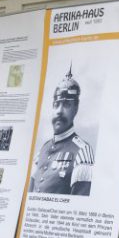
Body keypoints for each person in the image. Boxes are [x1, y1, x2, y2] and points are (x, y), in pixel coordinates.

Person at [30, 66, 95, 195]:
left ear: (75, 109)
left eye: (66, 104)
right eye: (56, 105)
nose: (59, 111)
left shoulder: (82, 152)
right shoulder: (42, 150)